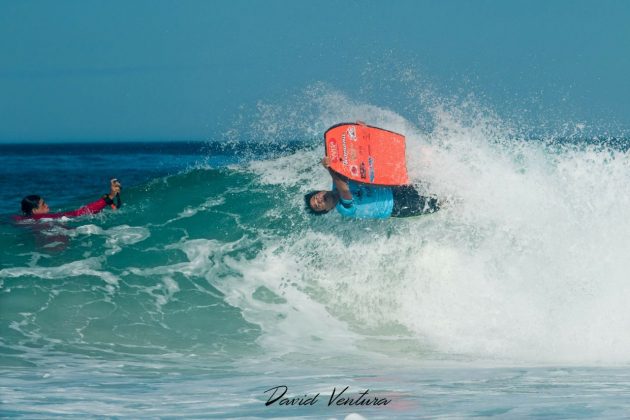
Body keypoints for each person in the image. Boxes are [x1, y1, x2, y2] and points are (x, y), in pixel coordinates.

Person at [305, 158, 439, 218]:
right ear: (327, 210)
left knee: (432, 183)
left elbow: (355, 162)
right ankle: (459, 204)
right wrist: (329, 168)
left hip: (393, 187)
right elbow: (345, 191)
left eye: (316, 197)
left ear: (321, 191)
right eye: (319, 205)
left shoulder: (337, 180)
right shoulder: (343, 209)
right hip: (397, 206)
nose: (320, 200)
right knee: (438, 203)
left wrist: (360, 135)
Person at [15, 178, 122, 221]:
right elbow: (79, 213)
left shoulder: (20, 219)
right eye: (43, 204)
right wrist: (110, 197)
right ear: (34, 211)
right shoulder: (44, 217)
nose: (47, 205)